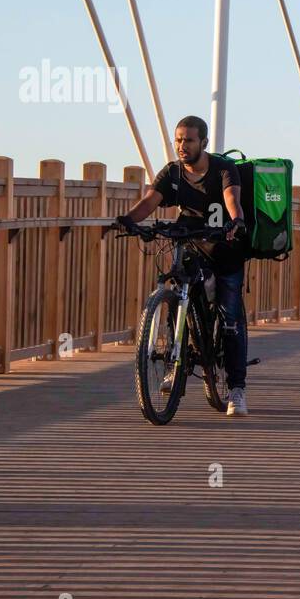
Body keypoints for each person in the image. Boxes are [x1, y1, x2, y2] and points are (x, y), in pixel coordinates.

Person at [115, 115, 252, 416]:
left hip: (225, 246)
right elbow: (151, 201)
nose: (182, 145)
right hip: (190, 243)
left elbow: (232, 198)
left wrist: (237, 221)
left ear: (203, 142)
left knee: (230, 319)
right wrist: (128, 220)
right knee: (177, 296)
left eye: (188, 140)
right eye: (178, 139)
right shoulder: (172, 172)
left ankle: (237, 389)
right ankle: (174, 366)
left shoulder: (223, 169)